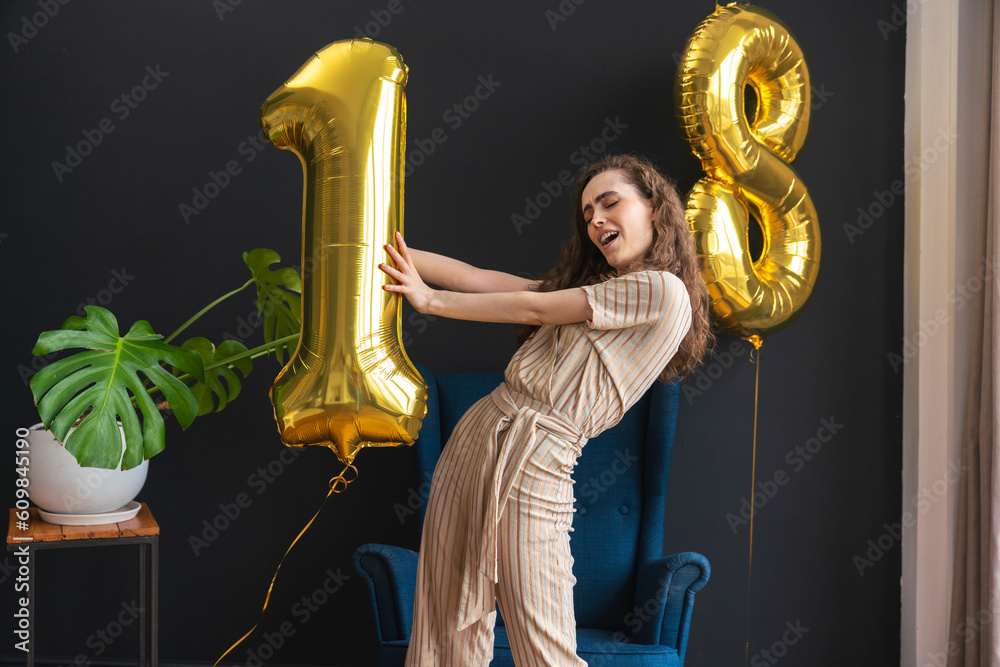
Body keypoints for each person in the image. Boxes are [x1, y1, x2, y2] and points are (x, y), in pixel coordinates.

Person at [378, 154, 712, 666]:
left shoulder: (661, 290)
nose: (596, 219)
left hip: (537, 455)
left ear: (654, 207)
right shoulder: (601, 293)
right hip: (480, 434)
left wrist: (431, 302)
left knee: (545, 643)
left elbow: (532, 308)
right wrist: (378, 244)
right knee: (442, 625)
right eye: (587, 213)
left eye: (609, 202)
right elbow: (478, 277)